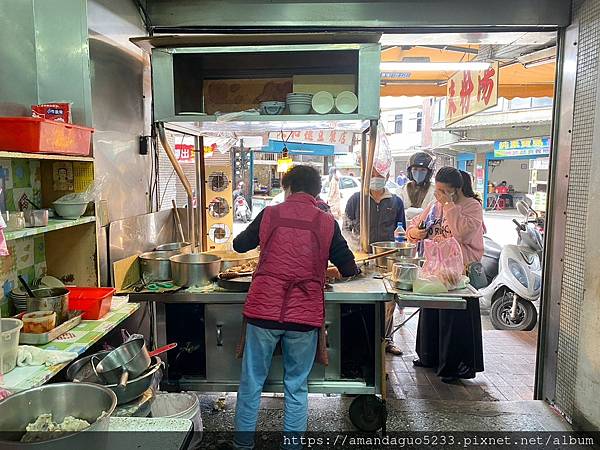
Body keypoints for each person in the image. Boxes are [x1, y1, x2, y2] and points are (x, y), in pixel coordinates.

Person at [232, 165, 360, 449]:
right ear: (316, 192)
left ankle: (242, 445)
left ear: (287, 188)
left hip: (263, 311)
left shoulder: (270, 214)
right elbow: (349, 268)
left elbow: (239, 245)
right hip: (304, 314)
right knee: (296, 386)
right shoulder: (327, 222)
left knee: (252, 382)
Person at [407, 167, 485, 383]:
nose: (438, 194)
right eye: (437, 189)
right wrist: (415, 233)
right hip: (435, 271)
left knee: (454, 318)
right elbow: (413, 228)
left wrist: (450, 205)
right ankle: (429, 357)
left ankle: (454, 367)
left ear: (457, 189)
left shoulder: (472, 206)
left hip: (460, 273)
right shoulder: (434, 206)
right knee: (432, 314)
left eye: (444, 191)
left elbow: (462, 232)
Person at [345, 166, 406, 356]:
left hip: (388, 260)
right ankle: (364, 339)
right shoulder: (357, 199)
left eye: (380, 174)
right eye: (372, 174)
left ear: (387, 176)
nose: (376, 178)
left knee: (388, 302)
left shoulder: (396, 201)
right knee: (364, 301)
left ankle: (387, 340)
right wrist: (355, 248)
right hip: (362, 258)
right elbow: (346, 228)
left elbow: (401, 231)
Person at [399, 152, 436, 222]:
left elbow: (434, 212)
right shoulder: (403, 189)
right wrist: (421, 212)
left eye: (423, 170)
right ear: (410, 171)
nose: (418, 173)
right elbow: (399, 212)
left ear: (429, 172)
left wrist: (409, 212)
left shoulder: (434, 190)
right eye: (415, 169)